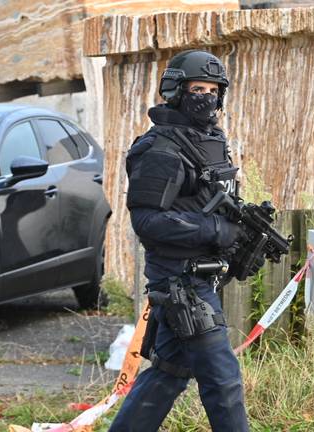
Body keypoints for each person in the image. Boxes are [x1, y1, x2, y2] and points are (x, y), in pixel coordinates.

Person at [109, 50, 251, 431]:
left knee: (169, 373)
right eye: (196, 88)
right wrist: (213, 232)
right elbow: (146, 220)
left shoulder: (209, 140)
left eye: (212, 89)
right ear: (176, 91)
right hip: (179, 281)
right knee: (223, 380)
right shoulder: (162, 149)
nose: (205, 96)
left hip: (199, 276)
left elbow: (206, 201)